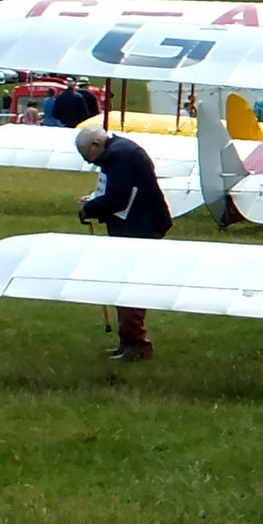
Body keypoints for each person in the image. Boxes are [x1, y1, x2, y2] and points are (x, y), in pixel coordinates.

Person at [74, 125, 173, 361]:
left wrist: (89, 208)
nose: (94, 163)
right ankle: (129, 342)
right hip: (137, 225)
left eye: (89, 156)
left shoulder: (120, 155)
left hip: (140, 229)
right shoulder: (120, 151)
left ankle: (137, 346)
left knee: (129, 288)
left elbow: (118, 198)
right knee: (123, 285)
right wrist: (97, 201)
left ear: (96, 145)